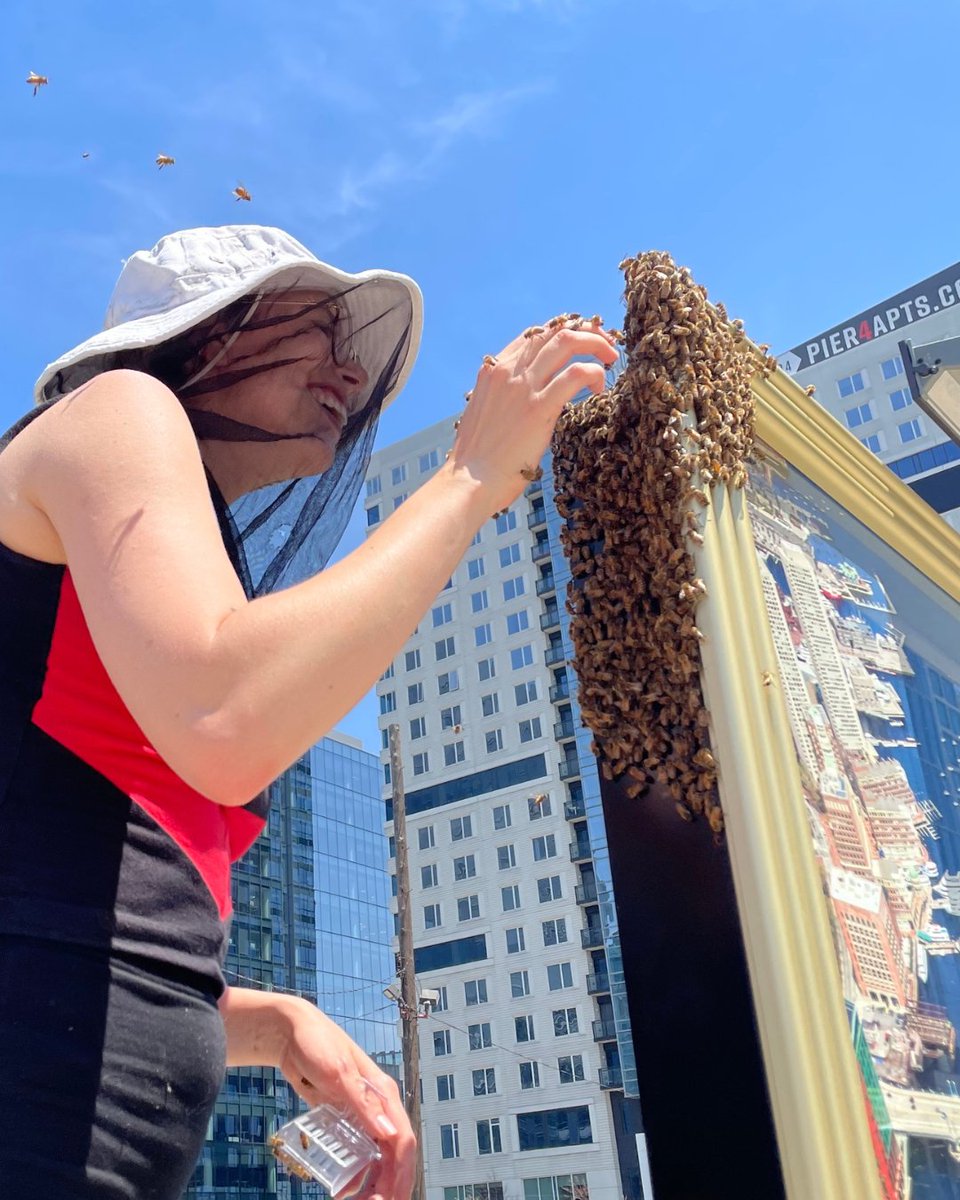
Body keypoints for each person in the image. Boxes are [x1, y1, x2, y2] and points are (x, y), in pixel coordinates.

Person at [0, 223, 618, 1199]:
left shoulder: (188, 563)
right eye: (313, 329)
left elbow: (94, 911)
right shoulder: (118, 407)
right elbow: (226, 715)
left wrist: (274, 1023)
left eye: (352, 343)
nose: (349, 368)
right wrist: (469, 477)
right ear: (205, 334)